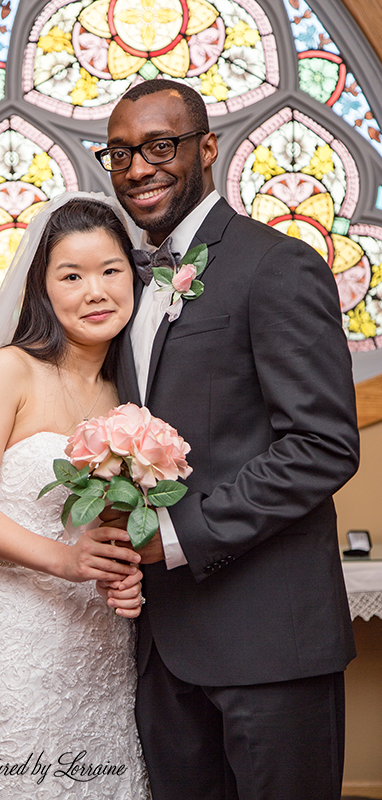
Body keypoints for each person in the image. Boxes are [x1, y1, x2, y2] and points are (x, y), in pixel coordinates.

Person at [96, 79, 360, 799]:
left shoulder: (277, 265)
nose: (137, 169)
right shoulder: (121, 286)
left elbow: (322, 444)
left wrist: (175, 538)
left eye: (159, 146)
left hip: (269, 646)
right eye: (118, 154)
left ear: (206, 148)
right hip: (161, 649)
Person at [0, 194, 149, 799]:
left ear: (133, 277)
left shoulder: (131, 391)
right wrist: (66, 560)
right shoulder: (12, 370)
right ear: (42, 287)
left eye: (110, 271)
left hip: (105, 643)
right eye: (72, 275)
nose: (95, 291)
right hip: (26, 636)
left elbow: (117, 520)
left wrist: (125, 570)